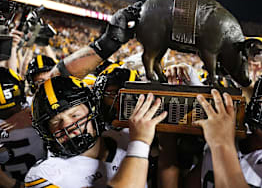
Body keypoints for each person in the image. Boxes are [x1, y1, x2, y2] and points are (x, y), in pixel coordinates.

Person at [25, 76, 167, 187]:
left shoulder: (124, 136)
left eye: (75, 115)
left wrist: (169, 139)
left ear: (93, 110)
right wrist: (139, 143)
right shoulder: (44, 175)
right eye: (55, 122)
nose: (67, 125)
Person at [0, 67, 46, 188]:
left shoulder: (35, 108)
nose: (10, 116)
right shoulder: (35, 107)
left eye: (13, 110)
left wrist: (32, 114)